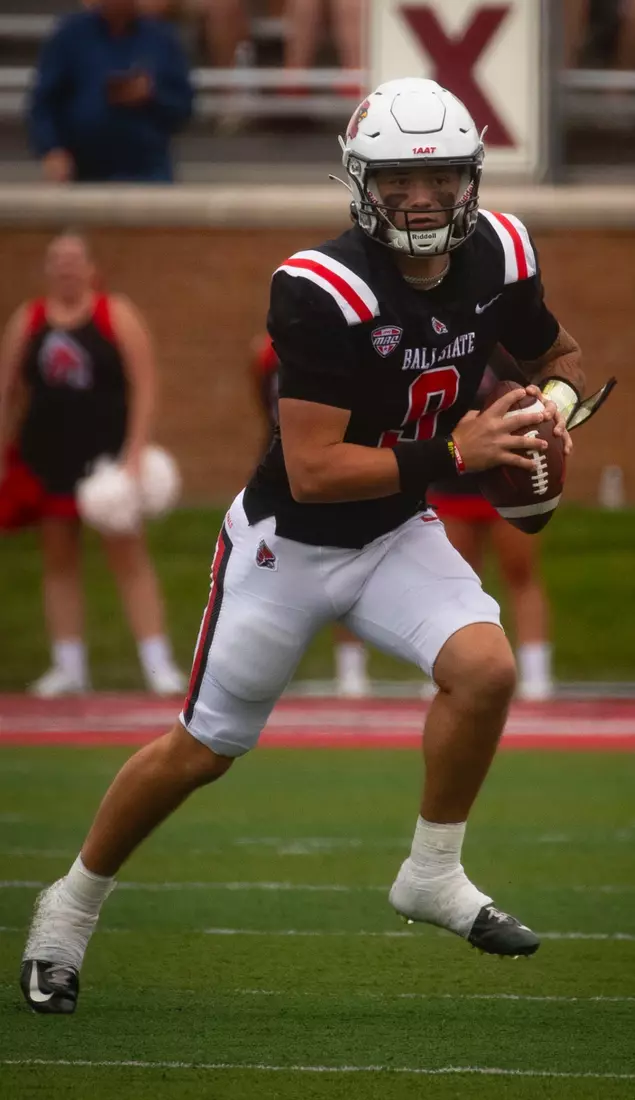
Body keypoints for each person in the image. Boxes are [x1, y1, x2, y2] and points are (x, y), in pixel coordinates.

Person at [20, 77, 590, 1015]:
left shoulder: (502, 252)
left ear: (468, 179)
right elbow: (317, 468)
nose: (419, 200)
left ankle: (432, 871)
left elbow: (557, 357)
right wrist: (457, 449)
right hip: (289, 544)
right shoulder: (321, 288)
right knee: (201, 750)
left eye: (439, 177)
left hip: (393, 530)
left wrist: (544, 417)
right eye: (397, 181)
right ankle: (68, 907)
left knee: (485, 670)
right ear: (360, 184)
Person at [0, 231, 186, 698]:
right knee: (58, 559)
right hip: (48, 457)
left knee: (128, 556)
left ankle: (158, 663)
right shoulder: (30, 318)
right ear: (47, 269)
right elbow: (7, 389)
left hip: (106, 459)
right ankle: (68, 665)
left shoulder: (114, 313)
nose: (66, 268)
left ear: (90, 268)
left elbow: (145, 382)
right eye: (57, 260)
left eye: (74, 259)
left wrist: (136, 451)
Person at [250, 332, 370, 696]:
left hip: (335, 464)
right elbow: (265, 409)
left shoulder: (343, 344)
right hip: (282, 474)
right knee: (268, 570)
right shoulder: (263, 354)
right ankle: (260, 665)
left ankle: (351, 670)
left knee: (347, 561)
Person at [430, 355, 554, 702]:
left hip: (509, 474)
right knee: (457, 582)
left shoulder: (507, 353)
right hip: (452, 473)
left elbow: (537, 401)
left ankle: (537, 674)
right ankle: (450, 672)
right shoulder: (441, 344)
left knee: (521, 572)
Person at [28, 0, 194, 183]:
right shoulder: (69, 36)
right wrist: (52, 149)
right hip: (80, 169)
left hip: (147, 169)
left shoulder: (162, 39)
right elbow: (43, 102)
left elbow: (184, 106)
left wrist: (152, 95)